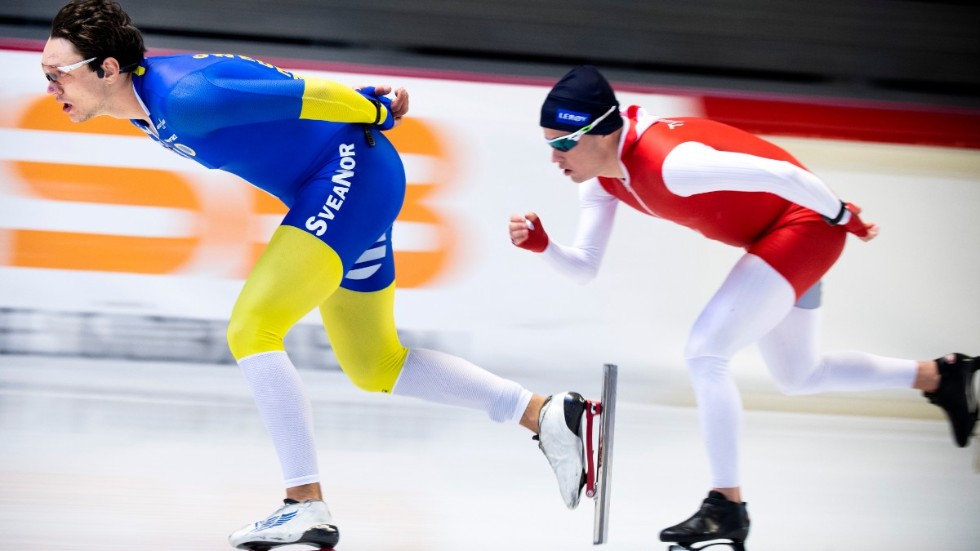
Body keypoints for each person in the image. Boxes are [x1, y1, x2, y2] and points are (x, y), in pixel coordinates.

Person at [43, 2, 598, 549]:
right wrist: (370, 107)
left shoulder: (186, 96)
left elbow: (305, 95)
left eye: (57, 74)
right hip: (351, 180)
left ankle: (304, 505)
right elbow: (276, 95)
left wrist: (374, 110)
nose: (51, 88)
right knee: (374, 363)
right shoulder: (145, 104)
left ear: (107, 68)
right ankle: (545, 414)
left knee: (251, 326)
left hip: (348, 176)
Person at [509, 65, 978, 551]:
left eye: (563, 143)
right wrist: (544, 246)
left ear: (601, 130)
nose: (554, 157)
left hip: (805, 225)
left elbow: (783, 175)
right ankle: (941, 377)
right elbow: (585, 266)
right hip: (772, 236)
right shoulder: (602, 181)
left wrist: (842, 215)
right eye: (549, 143)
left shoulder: (671, 162)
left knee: (704, 351)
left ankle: (726, 506)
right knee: (800, 375)